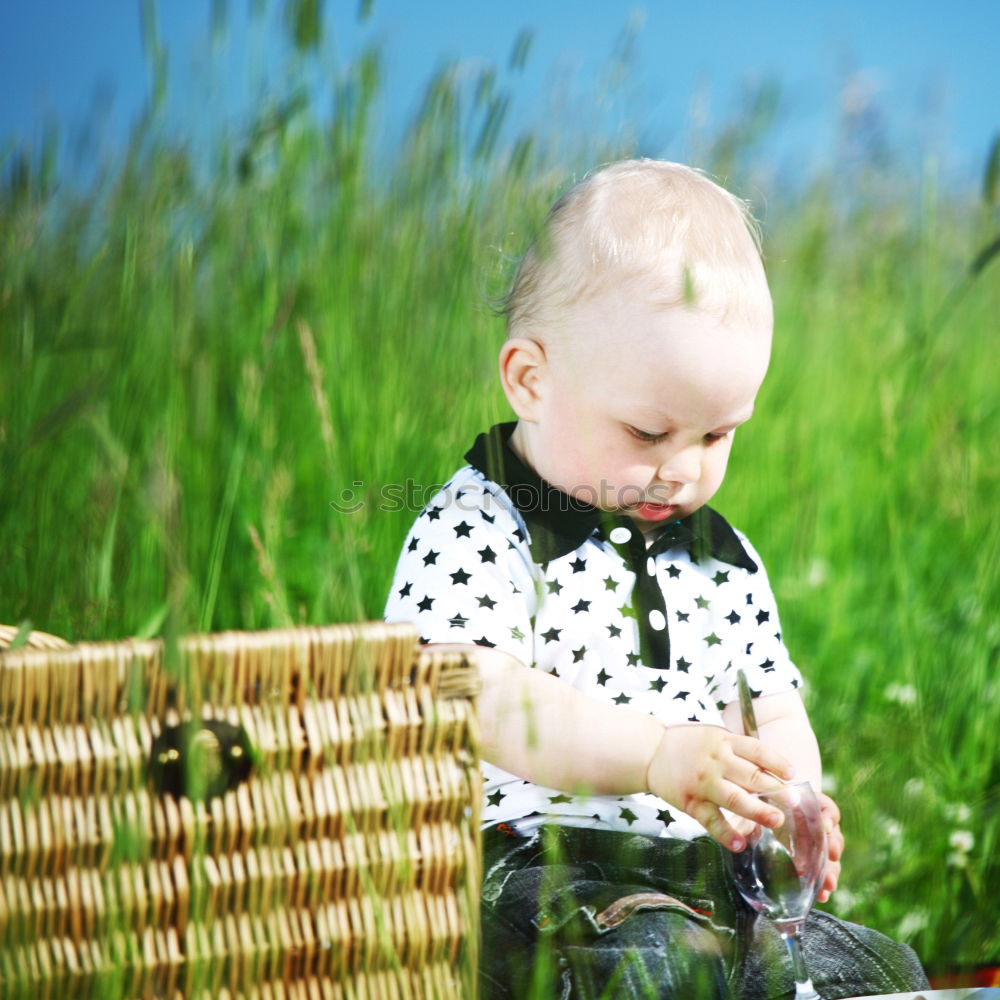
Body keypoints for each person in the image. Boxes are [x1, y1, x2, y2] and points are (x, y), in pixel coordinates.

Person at [384, 160, 928, 998]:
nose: (681, 470)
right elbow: (472, 697)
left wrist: (794, 799)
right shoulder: (481, 524)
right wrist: (652, 756)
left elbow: (768, 705)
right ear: (531, 379)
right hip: (526, 868)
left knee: (876, 970)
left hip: (703, 880)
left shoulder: (722, 556)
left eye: (716, 437)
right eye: (648, 430)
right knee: (654, 963)